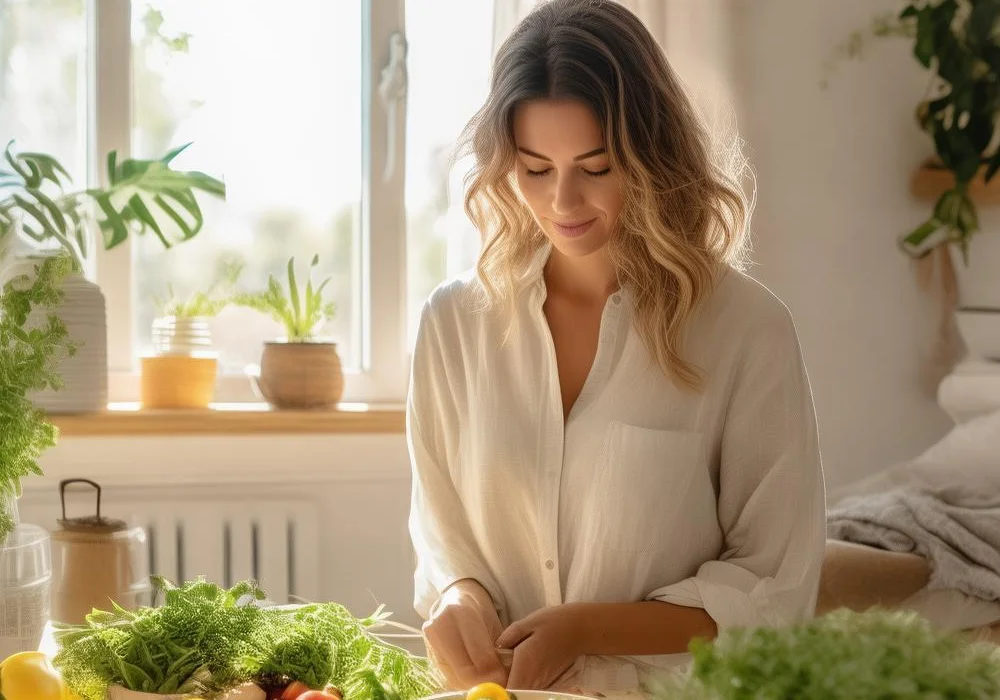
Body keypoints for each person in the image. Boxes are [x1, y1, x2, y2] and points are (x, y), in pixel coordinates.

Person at [405, 0, 826, 695]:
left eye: (596, 168)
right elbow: (444, 539)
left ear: (652, 157)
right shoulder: (453, 324)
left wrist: (586, 628)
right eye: (535, 169)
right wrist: (460, 597)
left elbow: (774, 587)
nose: (563, 202)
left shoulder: (747, 329)